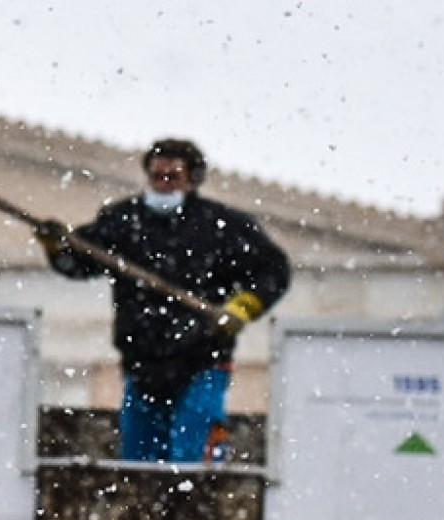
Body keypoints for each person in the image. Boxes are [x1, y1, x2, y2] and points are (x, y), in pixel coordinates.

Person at [36, 138, 293, 463]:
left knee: (193, 462)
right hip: (142, 363)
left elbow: (273, 269)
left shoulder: (222, 227)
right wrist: (58, 247)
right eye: (157, 176)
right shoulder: (123, 221)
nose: (163, 184)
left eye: (173, 177)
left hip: (203, 358)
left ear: (193, 180)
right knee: (139, 466)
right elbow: (80, 262)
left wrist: (243, 307)